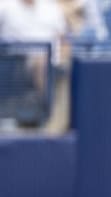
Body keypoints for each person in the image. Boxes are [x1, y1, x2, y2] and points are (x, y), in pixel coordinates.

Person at [0, 0, 71, 134]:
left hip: (54, 63)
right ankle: (50, 120)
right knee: (41, 62)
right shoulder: (4, 6)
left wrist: (63, 57)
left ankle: (56, 125)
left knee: (71, 67)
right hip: (17, 64)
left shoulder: (51, 8)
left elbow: (64, 41)